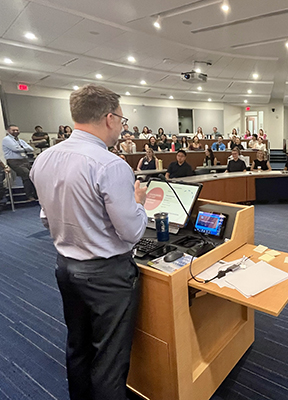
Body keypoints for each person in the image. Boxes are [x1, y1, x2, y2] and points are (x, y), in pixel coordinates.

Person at [29, 84, 147, 400]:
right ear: (109, 118)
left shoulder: (43, 159)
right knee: (109, 362)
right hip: (107, 276)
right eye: (122, 119)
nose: (123, 127)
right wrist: (139, 203)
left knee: (77, 348)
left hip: (65, 268)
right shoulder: (110, 165)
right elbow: (132, 232)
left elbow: (45, 219)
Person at [2, 124, 37, 200]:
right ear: (8, 131)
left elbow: (31, 149)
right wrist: (24, 148)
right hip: (14, 161)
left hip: (24, 160)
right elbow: (16, 149)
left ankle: (35, 194)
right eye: (13, 130)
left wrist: (22, 148)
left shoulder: (20, 140)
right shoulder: (7, 139)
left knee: (33, 175)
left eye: (17, 130)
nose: (16, 131)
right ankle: (29, 195)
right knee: (26, 175)